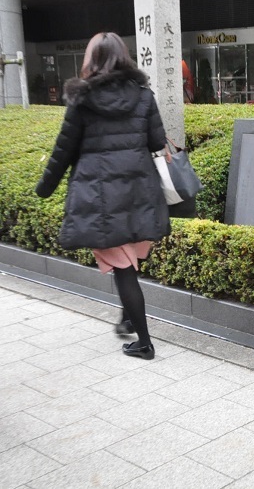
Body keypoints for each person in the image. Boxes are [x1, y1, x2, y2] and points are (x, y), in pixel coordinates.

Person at [35, 32, 171, 360]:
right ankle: (128, 316)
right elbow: (156, 143)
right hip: (139, 190)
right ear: (123, 56)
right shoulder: (143, 95)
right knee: (129, 262)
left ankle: (144, 343)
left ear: (92, 59)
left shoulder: (82, 98)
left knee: (123, 269)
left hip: (101, 196)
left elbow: (63, 150)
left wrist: (45, 187)